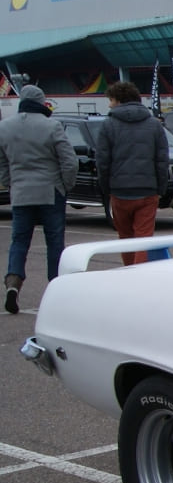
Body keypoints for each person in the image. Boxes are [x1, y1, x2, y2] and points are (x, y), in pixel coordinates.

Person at [0, 85, 78, 312]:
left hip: (21, 192)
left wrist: (10, 183)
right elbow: (69, 161)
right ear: (41, 102)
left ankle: (13, 283)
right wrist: (65, 185)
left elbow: (2, 162)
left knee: (19, 240)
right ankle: (55, 288)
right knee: (54, 242)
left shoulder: (4, 127)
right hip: (50, 190)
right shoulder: (52, 126)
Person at [96, 80, 170, 265]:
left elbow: (103, 161)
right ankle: (139, 274)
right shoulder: (154, 125)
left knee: (125, 237)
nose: (109, 104)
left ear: (119, 100)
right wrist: (160, 188)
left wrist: (106, 187)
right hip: (147, 190)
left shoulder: (108, 125)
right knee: (144, 237)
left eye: (111, 100)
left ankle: (128, 272)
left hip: (120, 190)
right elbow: (162, 160)